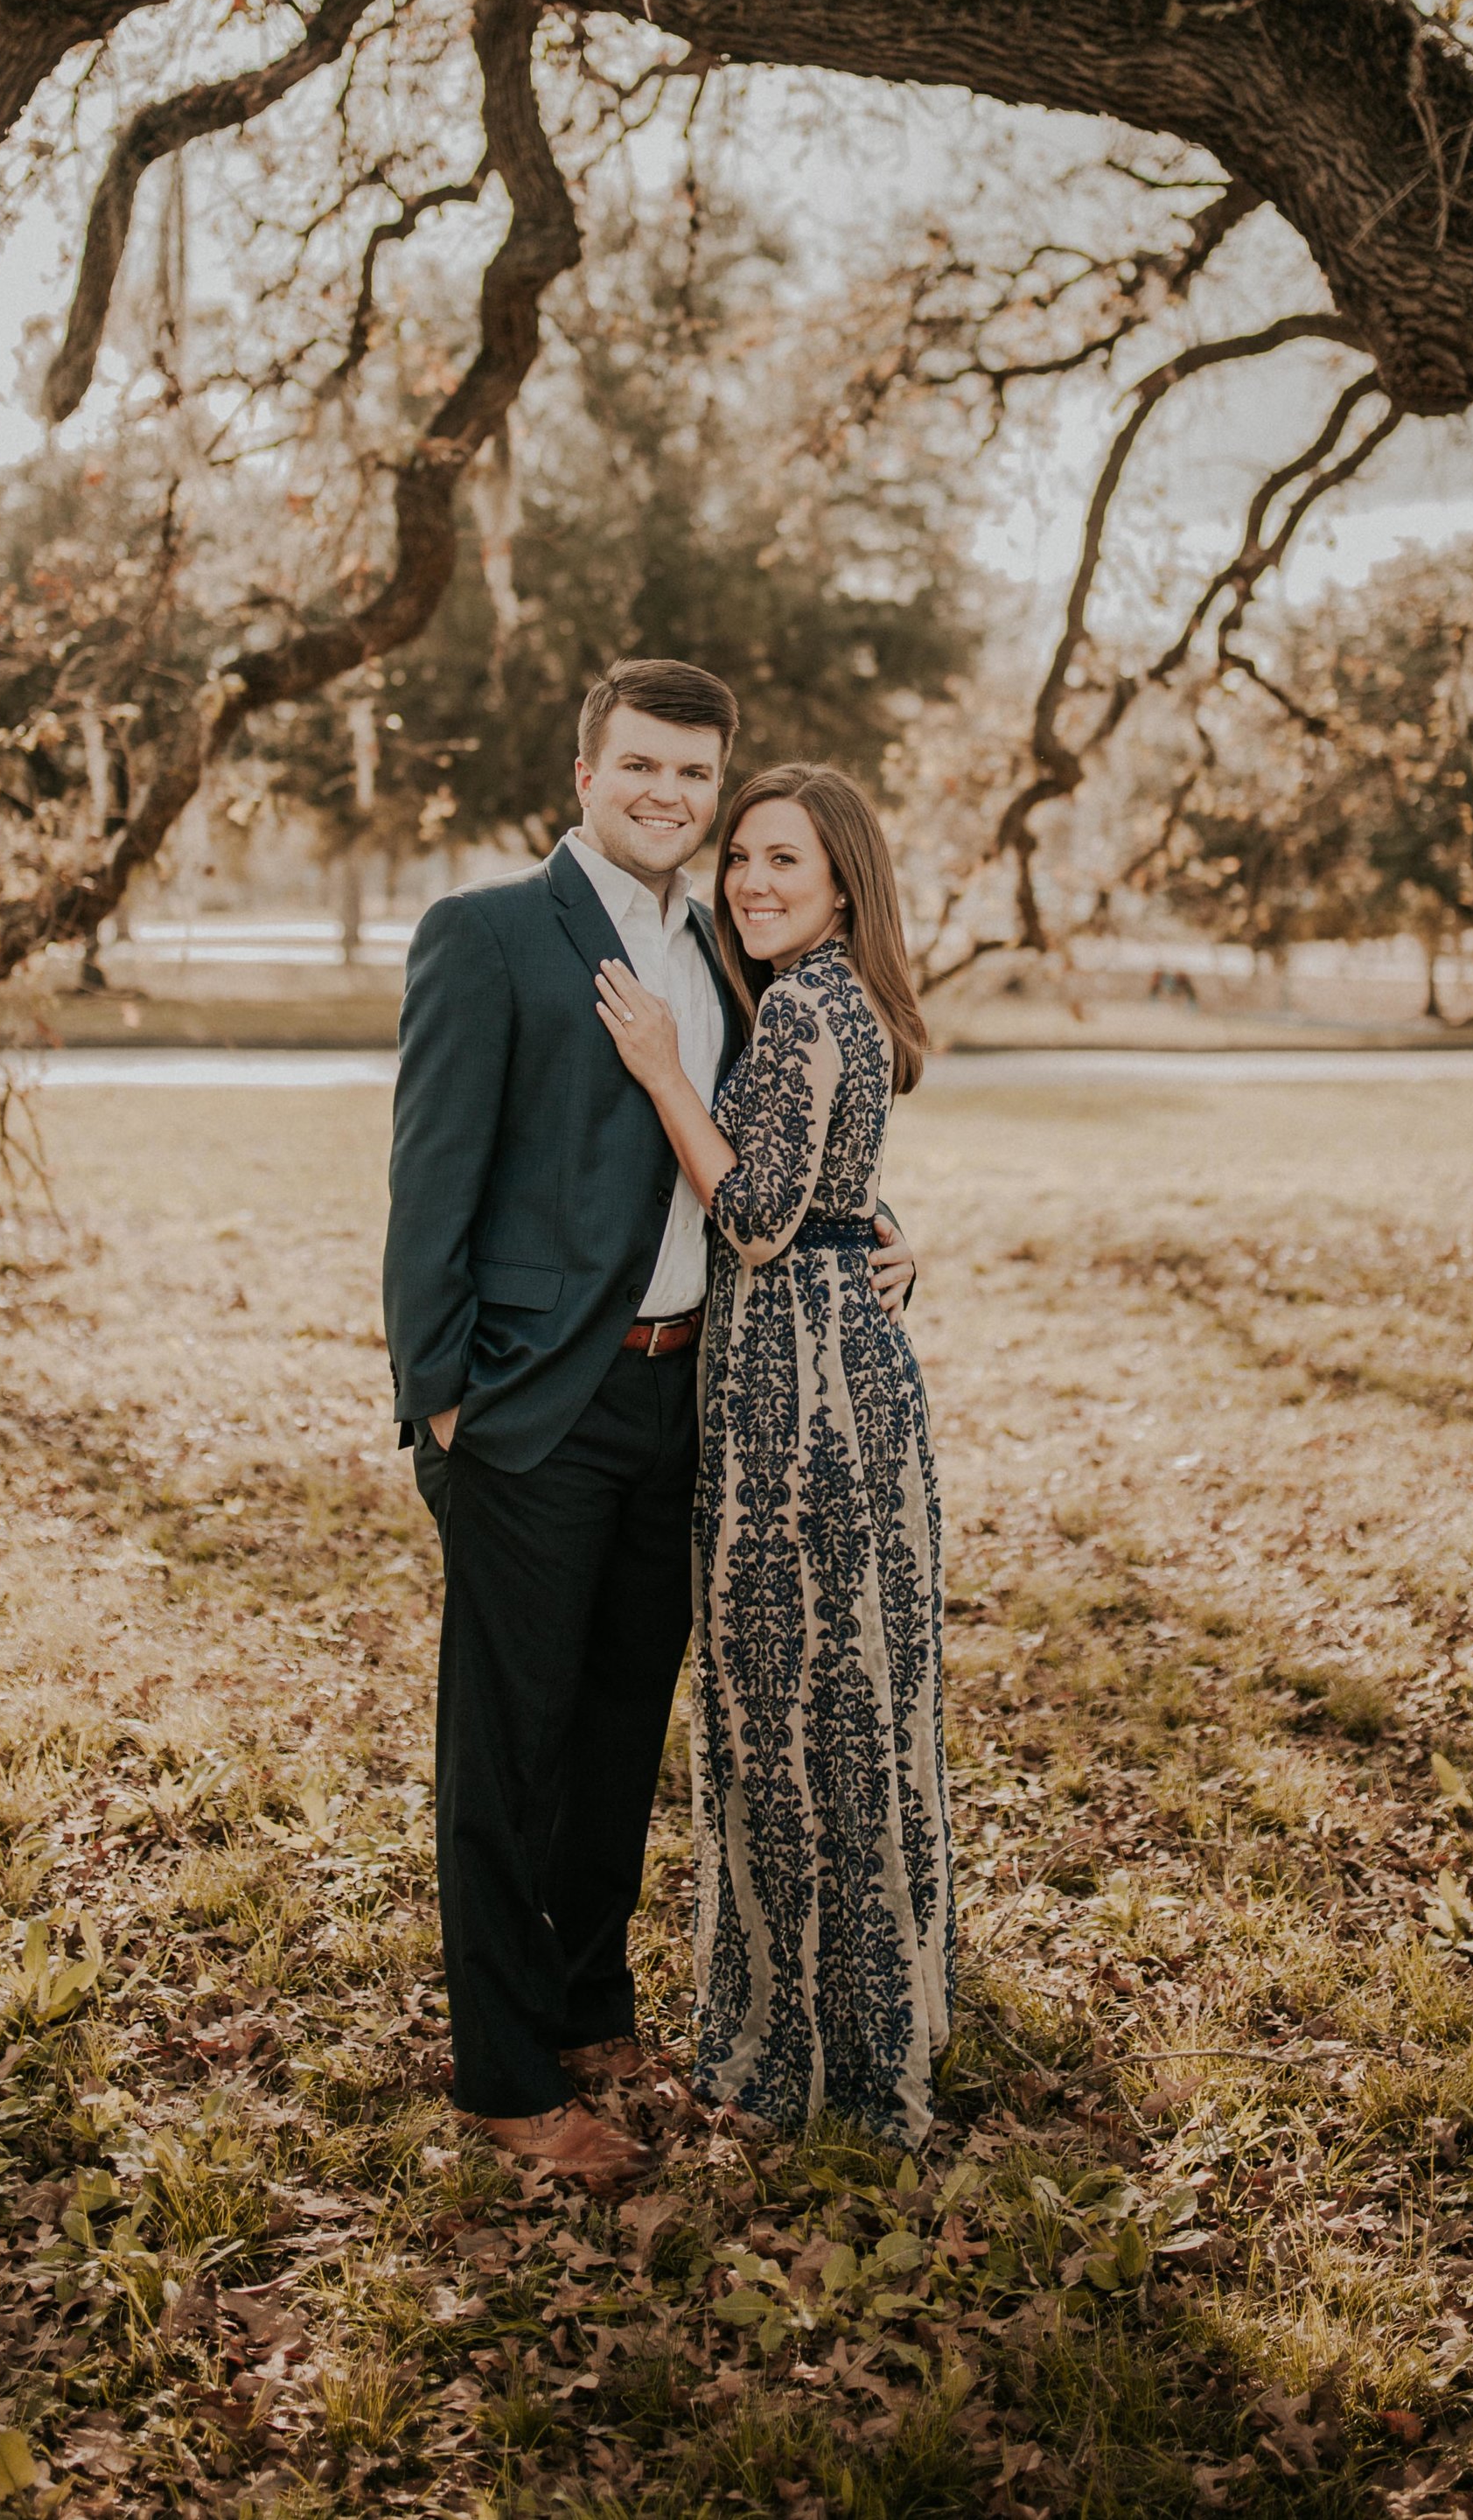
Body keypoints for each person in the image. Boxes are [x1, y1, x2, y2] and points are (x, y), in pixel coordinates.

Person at [383, 661, 917, 2192]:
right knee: (509, 1742)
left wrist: (875, 1219)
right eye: (642, 768)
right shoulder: (486, 934)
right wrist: (438, 1400)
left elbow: (769, 1146)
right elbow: (429, 1188)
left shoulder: (730, 946)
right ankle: (502, 2069)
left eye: (695, 775)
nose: (671, 797)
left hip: (688, 1398)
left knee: (623, 1724)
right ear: (584, 771)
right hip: (530, 1407)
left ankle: (591, 2001)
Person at [597, 761, 953, 2145]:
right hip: (825, 1384)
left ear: (843, 881)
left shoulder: (803, 1002)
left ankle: (803, 2056)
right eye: (741, 855)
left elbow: (750, 1215)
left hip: (801, 1412)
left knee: (794, 1717)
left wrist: (662, 1071)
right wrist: (887, 1230)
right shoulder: (822, 999)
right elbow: (826, 1182)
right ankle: (866, 2017)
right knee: (846, 1710)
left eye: (783, 861)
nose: (749, 880)